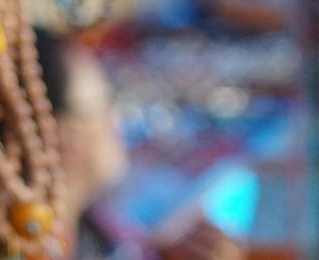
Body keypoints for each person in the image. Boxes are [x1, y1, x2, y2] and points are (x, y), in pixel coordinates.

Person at [35, 28, 245, 260]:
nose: (115, 119)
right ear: (63, 134)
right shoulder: (26, 246)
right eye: (105, 102)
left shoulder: (90, 227)